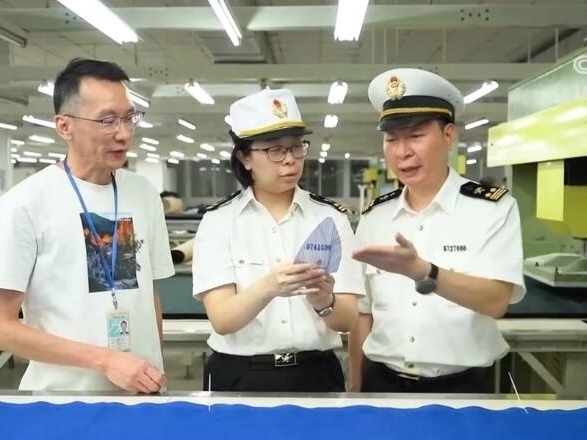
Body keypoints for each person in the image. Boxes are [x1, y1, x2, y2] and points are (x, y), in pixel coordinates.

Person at [0, 58, 174, 394]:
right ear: (65, 126)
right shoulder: (25, 203)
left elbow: (148, 297)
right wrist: (105, 360)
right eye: (107, 121)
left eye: (129, 118)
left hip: (142, 395)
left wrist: (152, 367)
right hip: (63, 401)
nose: (124, 133)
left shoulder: (143, 194)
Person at [348, 68, 525, 393]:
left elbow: (496, 301)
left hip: (462, 390)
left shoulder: (492, 210)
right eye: (391, 139)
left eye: (415, 136)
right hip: (382, 385)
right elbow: (363, 314)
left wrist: (424, 271)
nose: (402, 152)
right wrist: (356, 392)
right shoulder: (375, 217)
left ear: (448, 135)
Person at [191, 88, 365, 392]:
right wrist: (270, 287)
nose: (290, 161)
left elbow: (347, 321)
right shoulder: (219, 221)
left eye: (297, 148)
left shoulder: (330, 219)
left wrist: (324, 301)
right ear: (245, 157)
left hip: (316, 373)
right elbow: (222, 320)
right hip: (239, 374)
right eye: (275, 150)